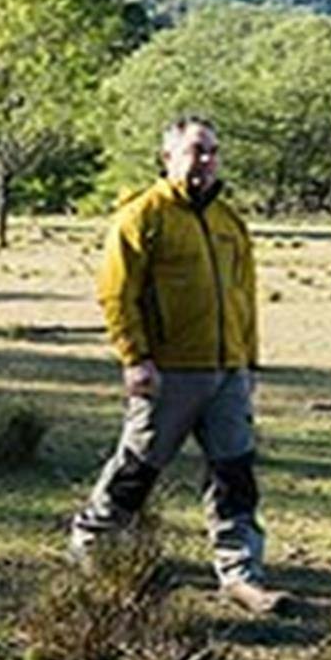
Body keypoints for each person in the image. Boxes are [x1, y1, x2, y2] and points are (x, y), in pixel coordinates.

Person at [69, 116, 285, 614]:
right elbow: (116, 294)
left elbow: (245, 297)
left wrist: (249, 362)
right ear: (167, 158)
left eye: (211, 150)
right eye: (194, 151)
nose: (205, 160)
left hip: (226, 372)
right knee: (138, 468)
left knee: (235, 475)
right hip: (168, 372)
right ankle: (93, 546)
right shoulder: (141, 217)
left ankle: (241, 575)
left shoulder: (230, 221)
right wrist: (136, 359)